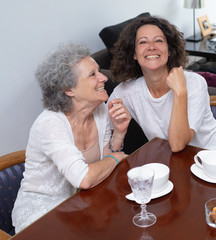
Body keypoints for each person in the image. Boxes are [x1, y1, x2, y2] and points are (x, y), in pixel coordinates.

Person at [12, 43, 131, 233]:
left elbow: (105, 160)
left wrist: (119, 132)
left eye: (99, 71)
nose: (103, 77)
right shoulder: (50, 124)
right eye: (93, 74)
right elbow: (84, 178)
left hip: (82, 202)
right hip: (42, 214)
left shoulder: (99, 109)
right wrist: (116, 158)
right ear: (69, 89)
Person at [109, 16, 216, 158]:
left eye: (159, 40)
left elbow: (177, 144)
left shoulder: (194, 82)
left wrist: (180, 92)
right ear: (133, 54)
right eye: (143, 42)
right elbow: (103, 130)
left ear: (169, 50)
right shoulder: (126, 91)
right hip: (180, 163)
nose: (151, 46)